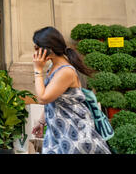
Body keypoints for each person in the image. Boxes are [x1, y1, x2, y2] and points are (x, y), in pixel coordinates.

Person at [31, 26, 111, 154]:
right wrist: (42, 121)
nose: (34, 52)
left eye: (36, 47)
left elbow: (43, 98)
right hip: (58, 131)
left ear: (48, 49)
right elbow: (52, 99)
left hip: (74, 132)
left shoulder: (65, 71)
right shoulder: (52, 67)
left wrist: (37, 70)